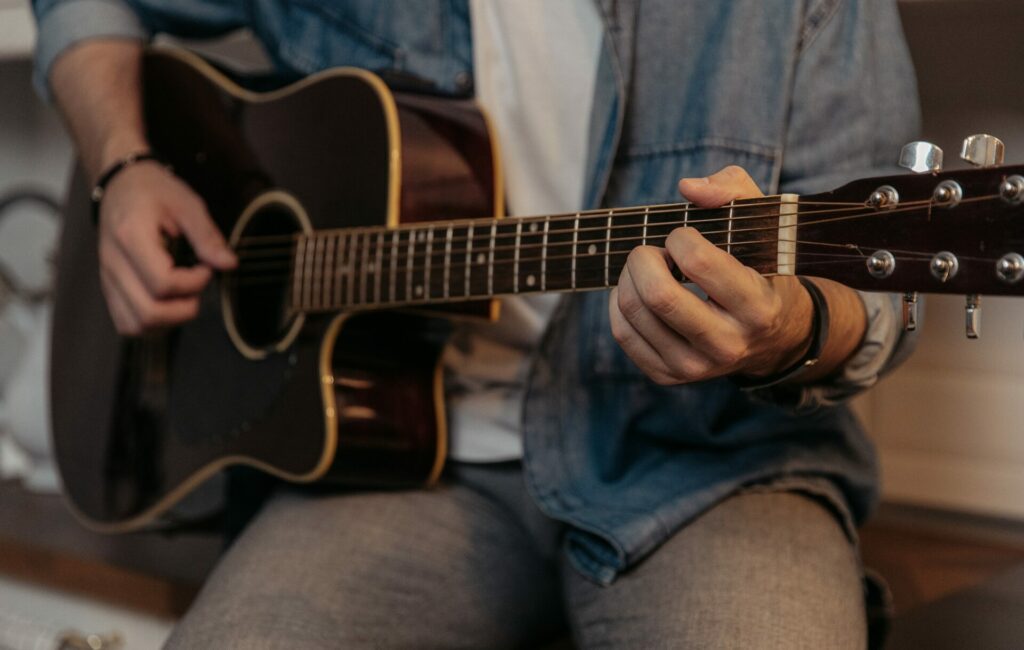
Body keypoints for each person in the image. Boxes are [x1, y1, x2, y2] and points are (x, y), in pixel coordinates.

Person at [32, 0, 920, 647]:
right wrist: (125, 165)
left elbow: (875, 289)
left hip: (713, 468)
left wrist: (788, 328)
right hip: (407, 461)